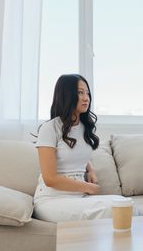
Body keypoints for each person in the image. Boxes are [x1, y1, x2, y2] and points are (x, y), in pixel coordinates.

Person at [33, 74, 128, 222]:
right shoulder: (50, 128)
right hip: (52, 199)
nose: (86, 98)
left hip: (79, 198)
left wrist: (90, 170)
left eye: (87, 93)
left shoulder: (84, 128)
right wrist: (87, 187)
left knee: (125, 205)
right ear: (66, 95)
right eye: (80, 92)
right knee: (112, 211)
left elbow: (76, 153)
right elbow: (50, 179)